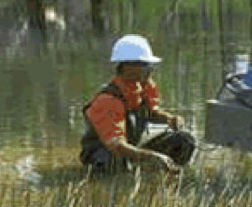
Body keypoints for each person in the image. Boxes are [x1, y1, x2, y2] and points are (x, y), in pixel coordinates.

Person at [80, 34, 195, 173]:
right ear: (127, 66)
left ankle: (169, 174)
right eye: (145, 64)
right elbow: (117, 145)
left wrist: (169, 118)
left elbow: (152, 112)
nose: (150, 69)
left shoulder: (145, 86)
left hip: (132, 146)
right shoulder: (108, 101)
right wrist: (152, 156)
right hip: (108, 152)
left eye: (150, 64)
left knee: (184, 140)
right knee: (114, 161)